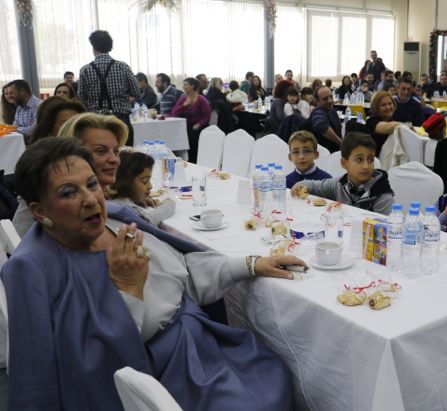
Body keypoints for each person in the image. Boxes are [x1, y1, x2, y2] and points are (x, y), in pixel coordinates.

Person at [3, 136, 299, 410]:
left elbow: (183, 271)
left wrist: (251, 264)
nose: (91, 199)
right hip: (158, 372)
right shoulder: (33, 268)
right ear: (40, 212)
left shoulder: (116, 220)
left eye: (92, 184)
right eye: (69, 192)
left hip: (200, 343)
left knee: (277, 371)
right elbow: (65, 371)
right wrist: (128, 289)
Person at [14, 112, 128, 236]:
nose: (114, 159)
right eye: (101, 151)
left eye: (116, 151)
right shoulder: (39, 200)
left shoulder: (106, 198)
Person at [291, 132, 394, 215]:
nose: (366, 166)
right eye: (359, 159)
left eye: (370, 160)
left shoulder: (382, 196)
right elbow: (314, 186)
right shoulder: (339, 184)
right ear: (344, 163)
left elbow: (385, 230)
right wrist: (299, 186)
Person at [78, 30, 139, 146]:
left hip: (96, 121)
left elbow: (82, 97)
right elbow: (136, 92)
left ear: (93, 47)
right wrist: (126, 99)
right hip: (121, 118)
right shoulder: (123, 67)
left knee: (100, 151)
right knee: (125, 152)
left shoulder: (85, 70)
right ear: (110, 46)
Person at [111, 150, 175, 226]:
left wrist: (137, 198)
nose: (150, 186)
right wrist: (170, 203)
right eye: (145, 181)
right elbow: (147, 219)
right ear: (126, 182)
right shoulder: (124, 209)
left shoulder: (116, 200)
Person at [171, 78, 211, 163]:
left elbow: (207, 116)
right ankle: (184, 160)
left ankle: (193, 161)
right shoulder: (183, 99)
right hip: (186, 126)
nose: (183, 87)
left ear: (192, 86)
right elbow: (174, 113)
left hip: (199, 127)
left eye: (185, 85)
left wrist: (199, 124)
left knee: (192, 138)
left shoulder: (201, 99)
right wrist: (184, 105)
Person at [364, 90, 405, 155]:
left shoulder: (393, 120)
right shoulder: (371, 121)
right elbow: (388, 128)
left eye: (390, 103)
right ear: (376, 108)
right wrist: (406, 127)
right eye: (383, 105)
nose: (388, 107)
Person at [309, 86, 342, 153]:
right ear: (317, 101)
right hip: (326, 154)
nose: (330, 100)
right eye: (325, 99)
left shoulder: (331, 111)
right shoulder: (318, 112)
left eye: (331, 97)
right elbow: (321, 126)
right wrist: (341, 143)